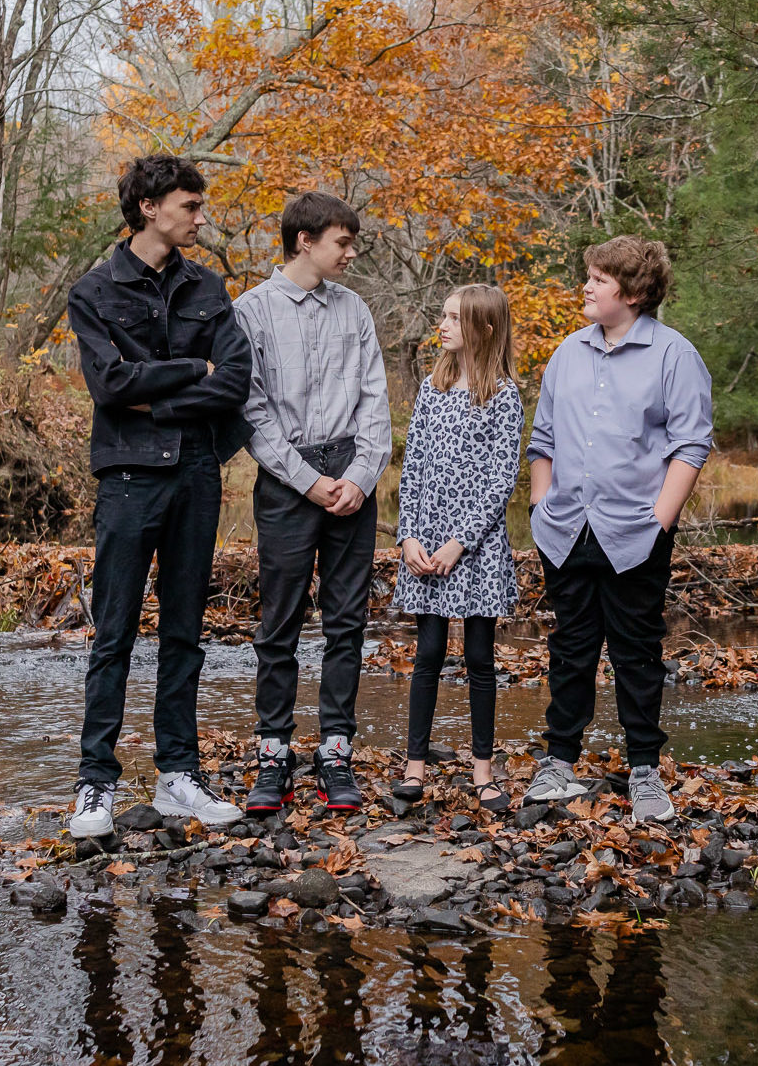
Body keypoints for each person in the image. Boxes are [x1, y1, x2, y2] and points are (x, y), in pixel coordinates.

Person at [63, 154, 254, 837]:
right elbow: (111, 386)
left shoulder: (208, 285)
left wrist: (160, 396)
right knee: (112, 632)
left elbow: (233, 380)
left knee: (184, 631)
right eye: (190, 207)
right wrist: (186, 371)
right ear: (149, 207)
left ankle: (179, 774)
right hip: (126, 478)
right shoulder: (95, 291)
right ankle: (95, 783)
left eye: (200, 207)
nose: (201, 218)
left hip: (197, 472)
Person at [522, 235, 713, 823]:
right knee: (570, 649)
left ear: (630, 294)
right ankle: (559, 764)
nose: (587, 287)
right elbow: (544, 439)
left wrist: (660, 520)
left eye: (599, 280)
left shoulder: (674, 355)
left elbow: (690, 444)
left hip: (635, 530)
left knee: (637, 653)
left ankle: (645, 773)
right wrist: (539, 503)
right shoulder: (567, 353)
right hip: (565, 529)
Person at [233, 190, 393, 815]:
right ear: (305, 241)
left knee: (347, 621)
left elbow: (375, 400)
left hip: (352, 472)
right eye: (342, 242)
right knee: (279, 623)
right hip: (287, 478)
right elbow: (250, 409)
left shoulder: (355, 310)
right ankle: (274, 756)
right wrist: (307, 481)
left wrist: (358, 476)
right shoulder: (251, 312)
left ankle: (335, 754)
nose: (351, 253)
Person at [391, 284, 522, 814]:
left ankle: (483, 770)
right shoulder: (432, 387)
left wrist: (459, 544)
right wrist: (407, 537)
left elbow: (500, 481)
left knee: (478, 656)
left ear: (484, 329)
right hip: (425, 540)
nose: (441, 326)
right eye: (441, 316)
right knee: (426, 654)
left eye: (453, 318)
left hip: (477, 547)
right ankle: (415, 764)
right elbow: (414, 467)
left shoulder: (504, 395)